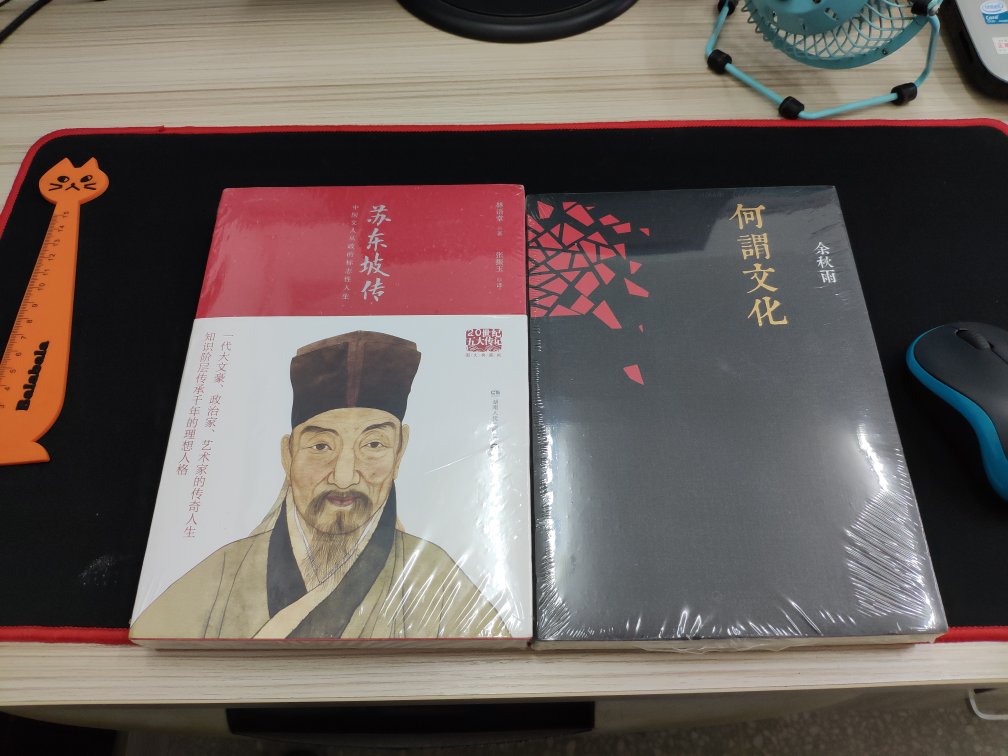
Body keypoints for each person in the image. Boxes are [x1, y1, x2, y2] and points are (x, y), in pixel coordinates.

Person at [131, 331, 509, 641]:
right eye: (321, 446)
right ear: (288, 454)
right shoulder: (222, 575)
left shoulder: (436, 579)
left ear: (400, 452)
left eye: (373, 445)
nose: (344, 477)